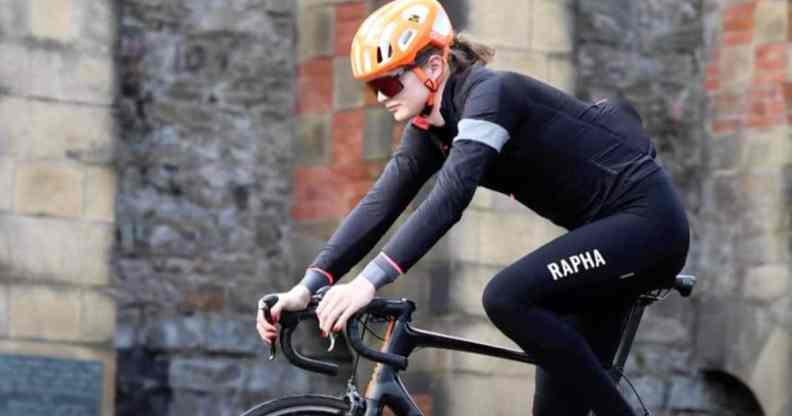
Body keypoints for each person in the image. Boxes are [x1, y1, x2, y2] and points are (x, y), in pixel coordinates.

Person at [257, 0, 690, 415]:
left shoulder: (490, 95)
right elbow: (380, 204)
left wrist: (368, 283)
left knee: (505, 296)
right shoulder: (429, 128)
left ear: (432, 68)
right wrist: (306, 286)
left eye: (389, 83)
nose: (380, 97)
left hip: (647, 227)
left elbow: (450, 198)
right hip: (605, 243)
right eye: (373, 87)